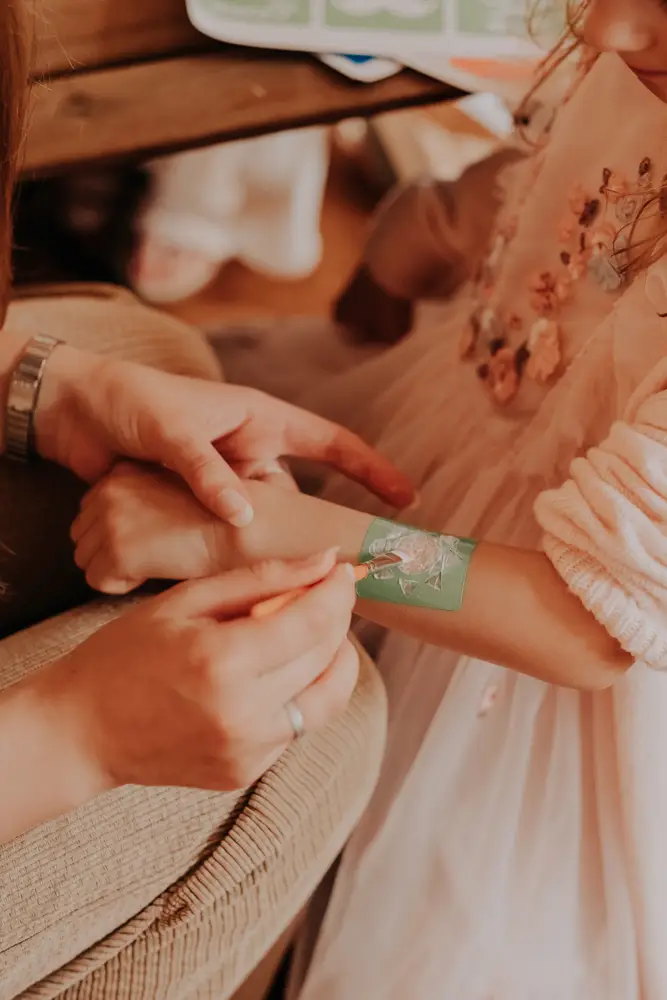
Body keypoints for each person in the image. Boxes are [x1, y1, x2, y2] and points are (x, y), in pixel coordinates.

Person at [73, 0, 667, 996]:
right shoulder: (642, 53)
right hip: (450, 430)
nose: (606, 32)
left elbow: (575, 624)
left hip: (524, 665)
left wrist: (247, 536)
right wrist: (424, 234)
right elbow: (571, 177)